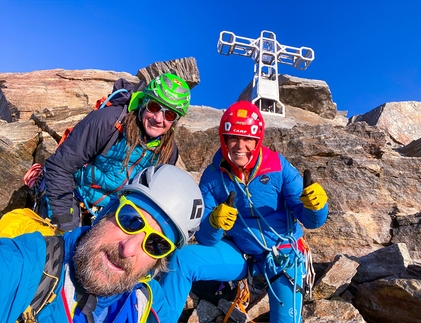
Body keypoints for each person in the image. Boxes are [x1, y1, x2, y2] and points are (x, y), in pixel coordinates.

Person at [160, 101, 329, 323]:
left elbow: (311, 220)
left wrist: (318, 206)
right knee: (182, 259)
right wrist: (213, 222)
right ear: (224, 139)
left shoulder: (278, 166)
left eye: (248, 139)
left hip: (284, 255)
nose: (240, 146)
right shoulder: (213, 176)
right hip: (239, 253)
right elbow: (204, 237)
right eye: (233, 138)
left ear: (258, 140)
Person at [0, 164, 204, 323]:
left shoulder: (149, 303)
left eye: (156, 244)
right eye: (131, 220)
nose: (128, 249)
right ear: (107, 211)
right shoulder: (27, 267)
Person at [42, 73, 191, 231]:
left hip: (116, 211)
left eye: (169, 114)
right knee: (64, 247)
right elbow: (60, 167)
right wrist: (64, 222)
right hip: (74, 194)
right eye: (154, 107)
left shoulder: (168, 151)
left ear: (175, 121)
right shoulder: (109, 122)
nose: (159, 119)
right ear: (143, 102)